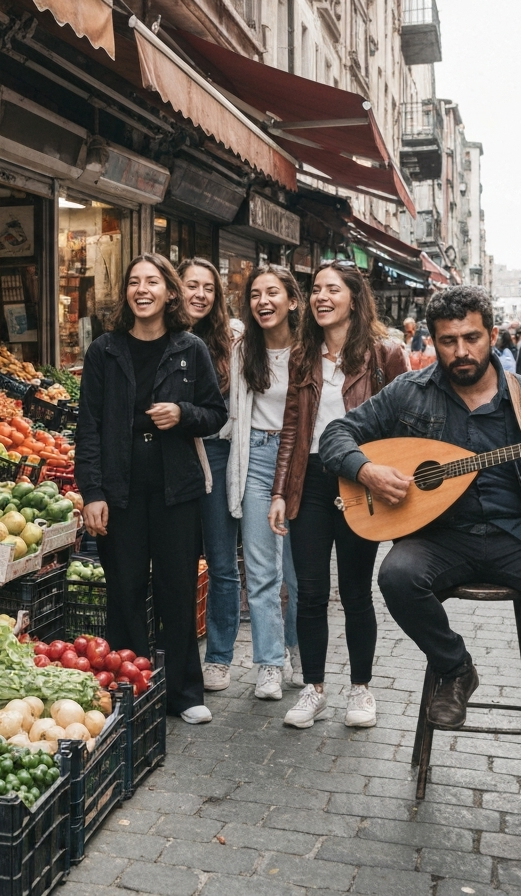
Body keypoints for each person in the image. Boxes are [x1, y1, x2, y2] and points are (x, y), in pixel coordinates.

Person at [320, 285, 521, 818]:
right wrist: (366, 470)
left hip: (520, 538)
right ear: (434, 340)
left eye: (472, 338)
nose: (461, 352)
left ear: (491, 336)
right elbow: (337, 433)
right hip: (439, 537)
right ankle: (456, 668)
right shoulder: (409, 392)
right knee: (397, 576)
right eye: (448, 341)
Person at [76, 253, 228, 725]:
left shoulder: (190, 349)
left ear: (168, 292)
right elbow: (89, 426)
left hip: (175, 488)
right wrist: (92, 492)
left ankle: (184, 691)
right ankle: (131, 686)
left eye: (152, 282)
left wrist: (183, 414)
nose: (142, 290)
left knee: (176, 588)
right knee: (124, 588)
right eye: (134, 282)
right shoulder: (105, 349)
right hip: (119, 489)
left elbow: (216, 413)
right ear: (126, 293)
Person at [268, 260, 407, 729]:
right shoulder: (302, 356)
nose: (321, 297)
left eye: (332, 289)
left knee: (355, 591)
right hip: (310, 482)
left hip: (360, 483)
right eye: (316, 290)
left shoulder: (385, 355)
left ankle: (361, 690)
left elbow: (402, 425)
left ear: (354, 297)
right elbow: (292, 428)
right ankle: (314, 688)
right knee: (308, 592)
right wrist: (280, 491)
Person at [222, 265, 302, 699]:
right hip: (255, 457)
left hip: (301, 463)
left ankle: (299, 649)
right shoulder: (243, 350)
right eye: (255, 294)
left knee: (299, 571)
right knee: (261, 571)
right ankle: (269, 663)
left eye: (273, 293)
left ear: (292, 300)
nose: (263, 301)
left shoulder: (312, 350)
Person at [181, 258, 243, 692]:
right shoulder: (161, 335)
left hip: (218, 454)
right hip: (174, 457)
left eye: (208, 288)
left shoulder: (233, 338)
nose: (200, 294)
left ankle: (219, 657)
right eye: (191, 285)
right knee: (178, 561)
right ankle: (179, 651)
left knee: (222, 561)